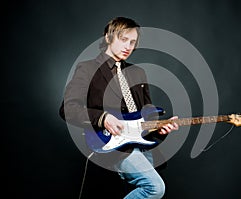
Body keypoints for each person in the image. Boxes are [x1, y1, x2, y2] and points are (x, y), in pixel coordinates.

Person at [59, 16, 179, 199]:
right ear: (108, 37)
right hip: (111, 145)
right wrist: (103, 118)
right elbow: (68, 108)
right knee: (154, 188)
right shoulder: (87, 69)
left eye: (133, 42)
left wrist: (160, 128)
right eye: (124, 40)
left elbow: (147, 114)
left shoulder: (138, 72)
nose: (128, 47)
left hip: (142, 144)